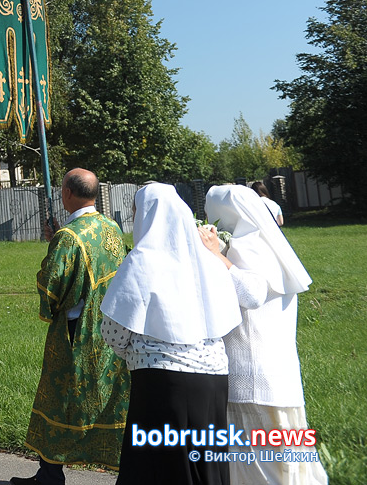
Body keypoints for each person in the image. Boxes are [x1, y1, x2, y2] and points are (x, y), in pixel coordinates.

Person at [100, 183, 242, 485]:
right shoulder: (207, 260)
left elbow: (113, 331)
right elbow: (225, 318)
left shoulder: (141, 261)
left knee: (161, 469)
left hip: (161, 382)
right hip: (213, 379)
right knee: (205, 466)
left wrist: (139, 347)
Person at [12, 169, 130, 485]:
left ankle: (50, 475)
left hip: (77, 332)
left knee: (60, 399)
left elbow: (52, 285)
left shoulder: (70, 235)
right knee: (108, 399)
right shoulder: (111, 227)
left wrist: (56, 250)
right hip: (112, 329)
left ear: (66, 193)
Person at [203, 186, 327, 485]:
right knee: (282, 457)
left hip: (253, 376)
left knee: (259, 463)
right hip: (274, 372)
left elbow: (253, 292)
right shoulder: (265, 242)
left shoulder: (248, 244)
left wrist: (215, 255)